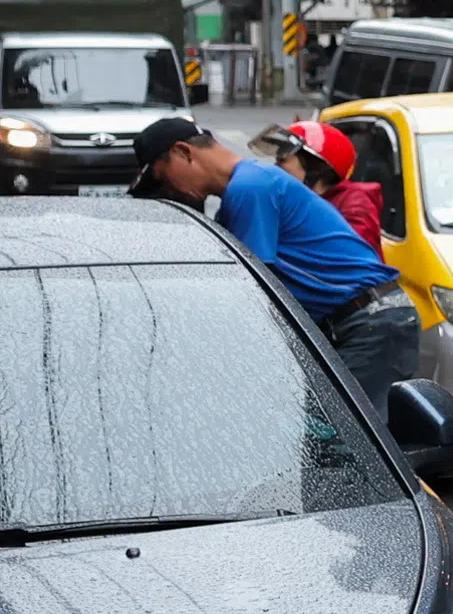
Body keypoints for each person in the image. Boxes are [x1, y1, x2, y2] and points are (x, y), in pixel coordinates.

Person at [132, 113, 419, 410]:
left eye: (162, 176)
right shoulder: (246, 186)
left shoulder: (250, 187)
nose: (169, 188)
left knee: (341, 444)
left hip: (369, 323)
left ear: (183, 152)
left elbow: (254, 294)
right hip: (359, 322)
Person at [259, 118, 386, 251]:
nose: (276, 167)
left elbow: (350, 255)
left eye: (282, 160)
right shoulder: (296, 198)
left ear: (314, 167)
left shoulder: (355, 203)